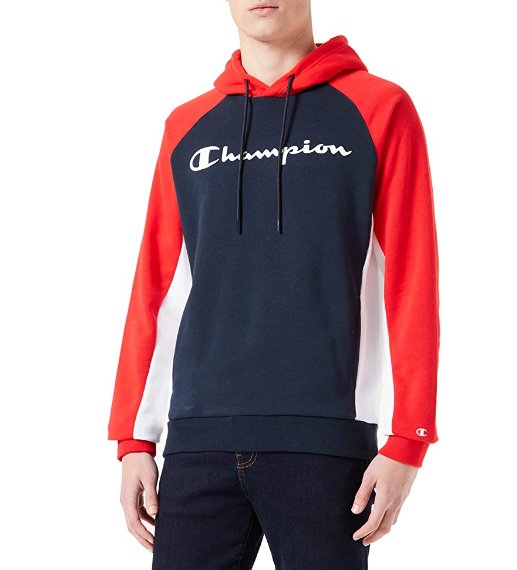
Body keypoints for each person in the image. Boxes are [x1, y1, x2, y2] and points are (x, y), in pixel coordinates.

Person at [107, 1, 441, 568]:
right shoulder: (187, 125)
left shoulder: (379, 108)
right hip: (197, 442)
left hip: (326, 443)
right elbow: (157, 285)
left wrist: (410, 438)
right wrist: (134, 438)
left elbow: (413, 276)